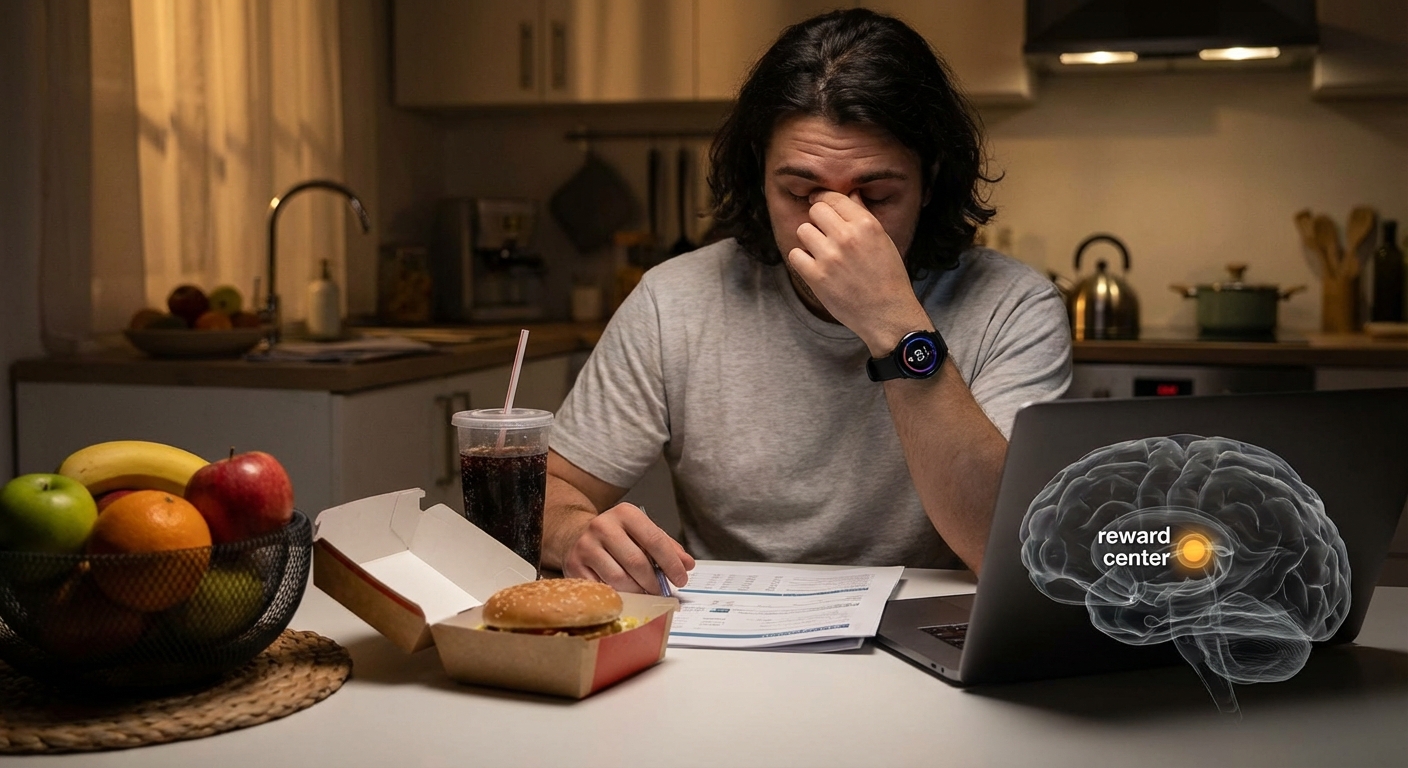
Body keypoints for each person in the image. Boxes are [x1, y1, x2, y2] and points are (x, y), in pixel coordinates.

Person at [540, 8, 1072, 594]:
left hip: (932, 637)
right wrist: (574, 534)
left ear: (930, 181)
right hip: (733, 642)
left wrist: (892, 322)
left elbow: (1006, 547)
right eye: (799, 192)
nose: (834, 224)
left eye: (875, 195)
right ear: (758, 177)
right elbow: (553, 492)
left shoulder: (1013, 305)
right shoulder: (674, 302)